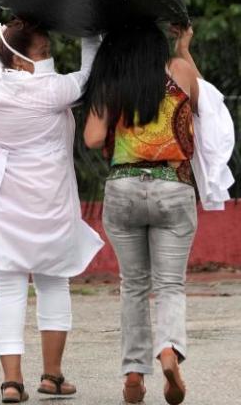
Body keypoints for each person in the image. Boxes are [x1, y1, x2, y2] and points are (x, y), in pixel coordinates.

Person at [0, 0, 104, 403]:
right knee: (53, 283)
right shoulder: (54, 91)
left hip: (0, 200)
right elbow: (91, 71)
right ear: (21, 55)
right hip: (47, 202)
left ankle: (11, 382)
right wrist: (87, 25)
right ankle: (52, 375)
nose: (48, 54)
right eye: (44, 48)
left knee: (8, 288)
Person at [82, 22, 201, 405]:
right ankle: (168, 349)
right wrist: (184, 49)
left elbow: (92, 139)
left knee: (133, 285)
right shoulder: (179, 71)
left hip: (124, 187)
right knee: (169, 285)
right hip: (173, 185)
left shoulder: (111, 84)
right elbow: (203, 101)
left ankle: (133, 373)